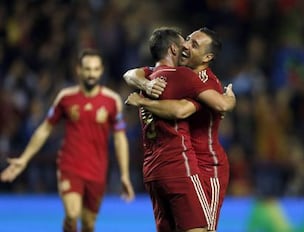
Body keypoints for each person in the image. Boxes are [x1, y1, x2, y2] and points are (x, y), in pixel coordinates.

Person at [0, 49, 135, 232]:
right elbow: (45, 129)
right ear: (78, 70)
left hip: (97, 169)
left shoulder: (112, 101)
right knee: (72, 215)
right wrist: (24, 159)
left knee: (88, 224)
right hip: (70, 165)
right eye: (87, 69)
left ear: (101, 71)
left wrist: (124, 175)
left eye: (95, 69)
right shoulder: (65, 98)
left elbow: (120, 139)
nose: (91, 74)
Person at [124, 27, 235, 232]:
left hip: (207, 166)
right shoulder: (176, 75)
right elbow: (131, 74)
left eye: (194, 45)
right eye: (188, 40)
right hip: (181, 164)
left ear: (207, 57)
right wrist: (145, 86)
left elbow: (183, 110)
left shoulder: (205, 83)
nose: (186, 46)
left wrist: (229, 99)